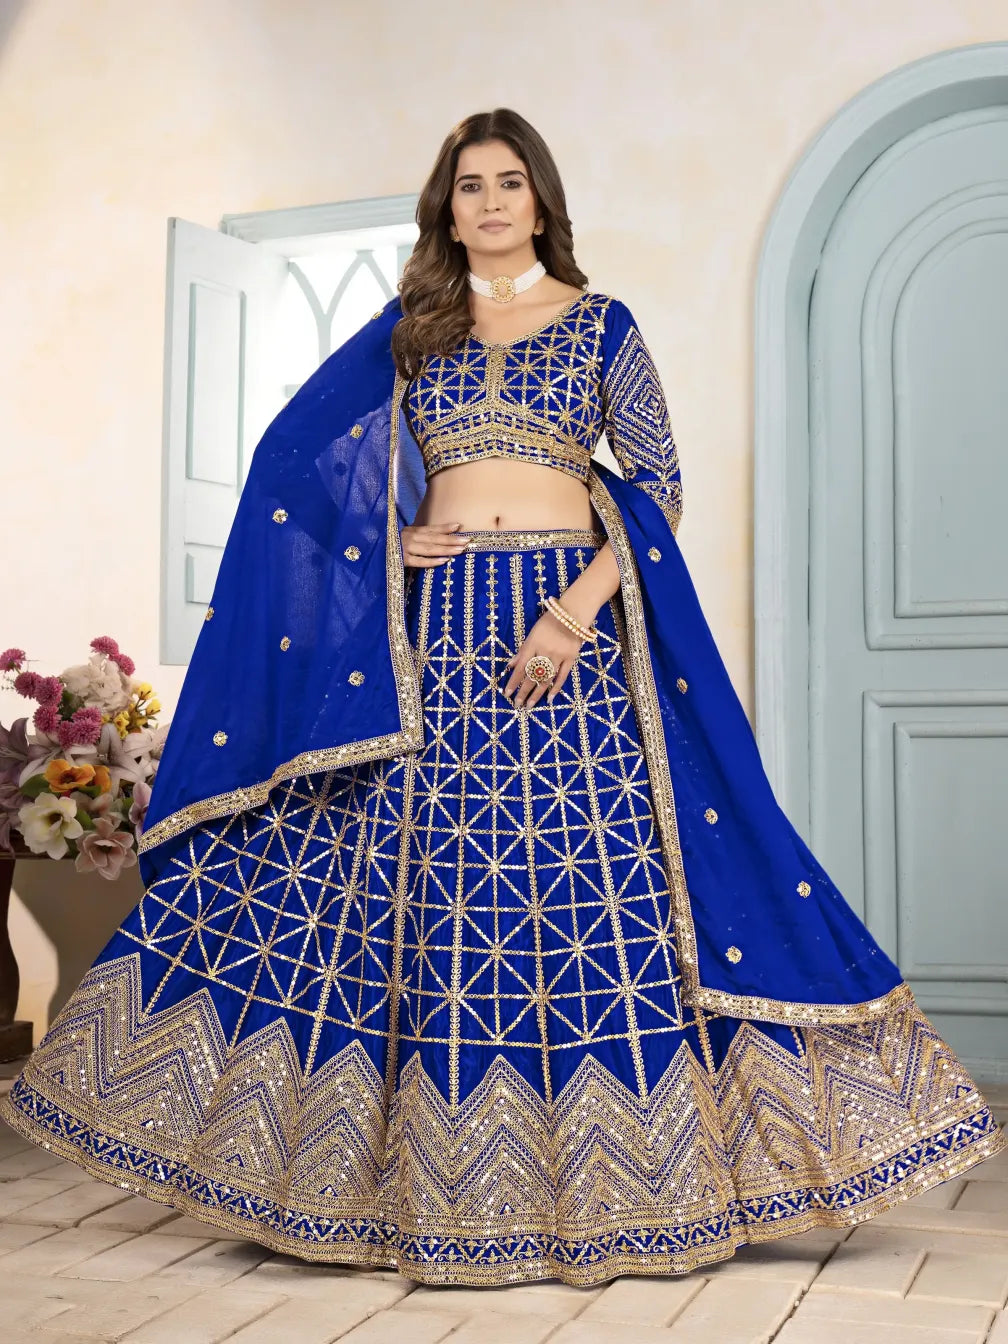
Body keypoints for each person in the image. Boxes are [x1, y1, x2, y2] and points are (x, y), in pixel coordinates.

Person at [3, 108, 1002, 1288]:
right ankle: (407, 1182)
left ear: (542, 201)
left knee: (585, 886)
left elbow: (661, 486)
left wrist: (572, 614)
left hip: (565, 639)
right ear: (447, 208)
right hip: (435, 644)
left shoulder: (599, 324)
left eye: (509, 183)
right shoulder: (412, 333)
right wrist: (394, 535)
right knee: (416, 886)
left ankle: (627, 1179)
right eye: (468, 186)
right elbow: (295, 470)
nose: (488, 203)